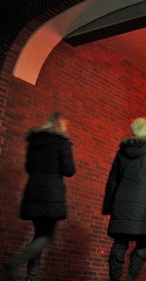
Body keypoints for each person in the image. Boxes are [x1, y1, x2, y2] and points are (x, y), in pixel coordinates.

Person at [4, 112, 76, 281]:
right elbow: (69, 170)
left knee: (39, 235)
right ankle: (16, 262)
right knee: (46, 236)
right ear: (61, 125)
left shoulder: (34, 142)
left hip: (33, 191)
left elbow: (29, 167)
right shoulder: (62, 142)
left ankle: (32, 276)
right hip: (51, 193)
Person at [102, 117, 146, 281]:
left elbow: (112, 181)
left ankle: (114, 278)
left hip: (121, 204)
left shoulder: (122, 152)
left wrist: (107, 206)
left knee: (120, 243)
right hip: (145, 206)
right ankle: (130, 279)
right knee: (143, 244)